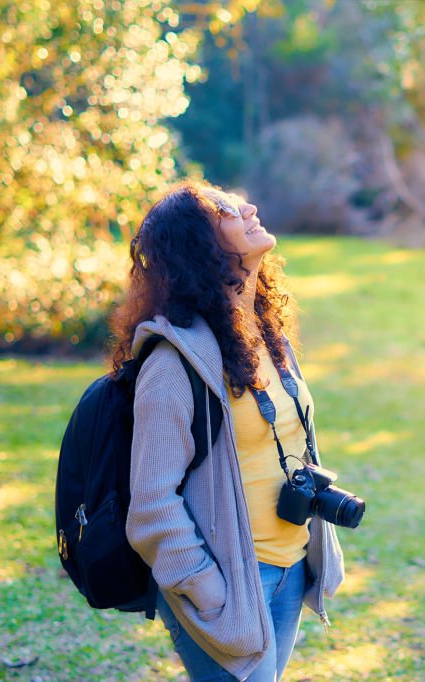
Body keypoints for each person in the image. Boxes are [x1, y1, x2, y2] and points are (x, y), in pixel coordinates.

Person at [107, 179, 345, 681]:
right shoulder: (174, 365)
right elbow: (150, 503)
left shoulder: (267, 334)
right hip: (233, 582)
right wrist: (206, 589)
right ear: (200, 244)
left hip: (288, 566)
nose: (250, 208)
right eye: (228, 212)